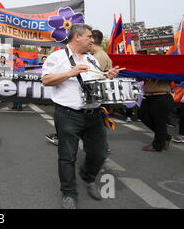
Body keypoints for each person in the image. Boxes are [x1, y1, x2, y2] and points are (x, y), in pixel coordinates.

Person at [42, 24, 120, 209]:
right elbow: (46, 80)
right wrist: (71, 72)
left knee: (100, 153)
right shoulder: (57, 56)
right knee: (67, 156)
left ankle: (87, 175)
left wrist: (107, 75)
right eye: (89, 37)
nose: (92, 40)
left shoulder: (91, 58)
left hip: (94, 114)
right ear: (77, 37)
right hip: (68, 114)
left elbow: (97, 80)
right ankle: (69, 193)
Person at [138, 77, 173, 152]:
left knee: (159, 122)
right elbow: (139, 78)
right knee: (142, 115)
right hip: (147, 96)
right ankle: (165, 136)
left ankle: (157, 146)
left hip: (162, 96)